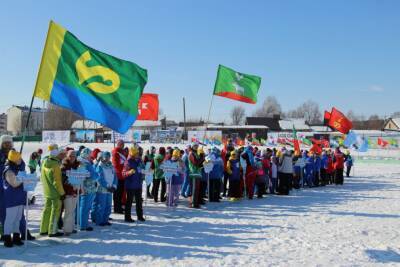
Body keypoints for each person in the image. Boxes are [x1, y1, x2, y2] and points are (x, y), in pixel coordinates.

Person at [40, 144, 66, 237]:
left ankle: (43, 229)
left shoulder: (44, 162)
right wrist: (62, 193)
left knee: (46, 210)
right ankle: (52, 231)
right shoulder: (55, 165)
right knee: (55, 211)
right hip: (55, 193)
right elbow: (57, 182)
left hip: (47, 191)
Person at [2, 150, 26, 247]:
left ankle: (16, 237)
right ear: (14, 159)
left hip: (19, 197)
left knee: (18, 219)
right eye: (18, 158)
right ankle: (7, 238)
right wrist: (24, 178)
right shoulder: (8, 170)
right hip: (11, 199)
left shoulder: (18, 168)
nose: (20, 160)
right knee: (10, 219)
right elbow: (14, 183)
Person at [122, 147, 145, 222]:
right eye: (136, 154)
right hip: (130, 185)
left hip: (138, 184)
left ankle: (140, 216)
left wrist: (145, 172)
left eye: (138, 154)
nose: (137, 155)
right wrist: (129, 172)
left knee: (139, 201)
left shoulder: (139, 161)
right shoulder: (127, 162)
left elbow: (143, 169)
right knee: (129, 202)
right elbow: (123, 174)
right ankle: (127, 217)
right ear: (132, 154)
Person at [94, 152, 117, 226]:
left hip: (110, 189)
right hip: (102, 189)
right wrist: (107, 186)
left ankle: (105, 219)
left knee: (108, 205)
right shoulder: (100, 166)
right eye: (105, 157)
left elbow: (115, 177)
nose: (107, 158)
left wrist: (114, 185)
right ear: (102, 157)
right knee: (101, 205)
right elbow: (99, 178)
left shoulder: (111, 166)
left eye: (108, 157)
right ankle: (99, 221)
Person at [60, 149, 80, 236]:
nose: (72, 157)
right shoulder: (64, 165)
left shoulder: (78, 165)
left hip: (75, 190)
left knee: (73, 210)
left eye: (74, 156)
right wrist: (70, 182)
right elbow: (62, 179)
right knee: (68, 211)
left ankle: (71, 228)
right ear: (67, 156)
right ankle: (67, 229)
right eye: (71, 156)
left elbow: (82, 176)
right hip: (67, 191)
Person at [78, 148, 98, 231]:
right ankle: (83, 225)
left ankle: (85, 223)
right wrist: (82, 189)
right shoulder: (82, 163)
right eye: (90, 155)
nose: (91, 156)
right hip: (86, 188)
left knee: (87, 207)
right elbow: (84, 177)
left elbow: (94, 174)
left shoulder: (87, 163)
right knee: (84, 207)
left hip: (90, 187)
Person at [0, 135, 13, 241]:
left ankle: (9, 232)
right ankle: (3, 233)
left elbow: (20, 166)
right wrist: (5, 165)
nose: (8, 145)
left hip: (11, 186)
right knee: (2, 211)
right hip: (1, 186)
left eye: (9, 143)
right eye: (5, 143)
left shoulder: (13, 153)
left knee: (13, 212)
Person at [112, 140, 126, 214]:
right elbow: (116, 165)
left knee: (120, 193)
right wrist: (124, 167)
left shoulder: (121, 152)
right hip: (118, 175)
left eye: (123, 144)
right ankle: (116, 208)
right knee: (117, 193)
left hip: (122, 175)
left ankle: (119, 206)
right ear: (118, 144)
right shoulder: (116, 152)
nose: (123, 145)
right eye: (122, 144)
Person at [188, 143, 203, 208]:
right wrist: (201, 158)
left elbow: (199, 163)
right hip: (194, 172)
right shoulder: (191, 153)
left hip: (198, 172)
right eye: (195, 146)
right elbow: (195, 162)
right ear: (192, 146)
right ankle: (193, 203)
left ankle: (195, 202)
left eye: (197, 146)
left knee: (197, 189)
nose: (196, 147)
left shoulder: (196, 153)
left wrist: (203, 160)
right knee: (194, 189)